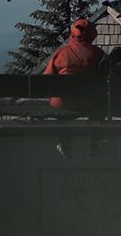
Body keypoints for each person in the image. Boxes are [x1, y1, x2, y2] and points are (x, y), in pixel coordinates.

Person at [44, 18, 106, 158]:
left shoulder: (62, 53)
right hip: (89, 103)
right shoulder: (97, 54)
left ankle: (64, 141)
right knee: (100, 105)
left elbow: (46, 78)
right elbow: (106, 78)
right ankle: (97, 139)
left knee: (61, 110)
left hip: (62, 104)